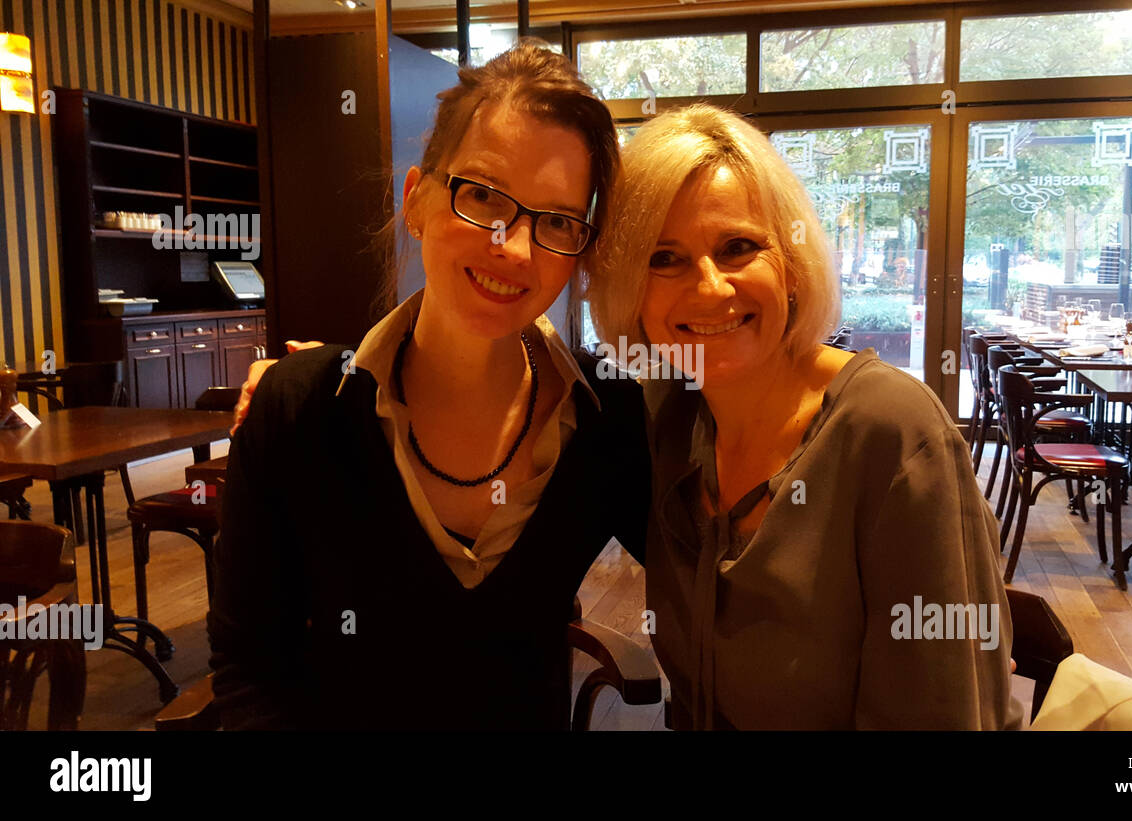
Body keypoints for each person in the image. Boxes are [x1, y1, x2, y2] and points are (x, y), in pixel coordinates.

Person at [208, 40, 649, 730]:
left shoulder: (607, 415)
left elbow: (731, 579)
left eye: (558, 221)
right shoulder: (299, 409)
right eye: (482, 195)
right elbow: (248, 667)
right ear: (416, 200)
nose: (514, 247)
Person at [586, 104, 1019, 730]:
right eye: (664, 258)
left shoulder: (891, 433)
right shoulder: (667, 420)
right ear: (630, 288)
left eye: (738, 247)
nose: (709, 288)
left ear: (791, 266)